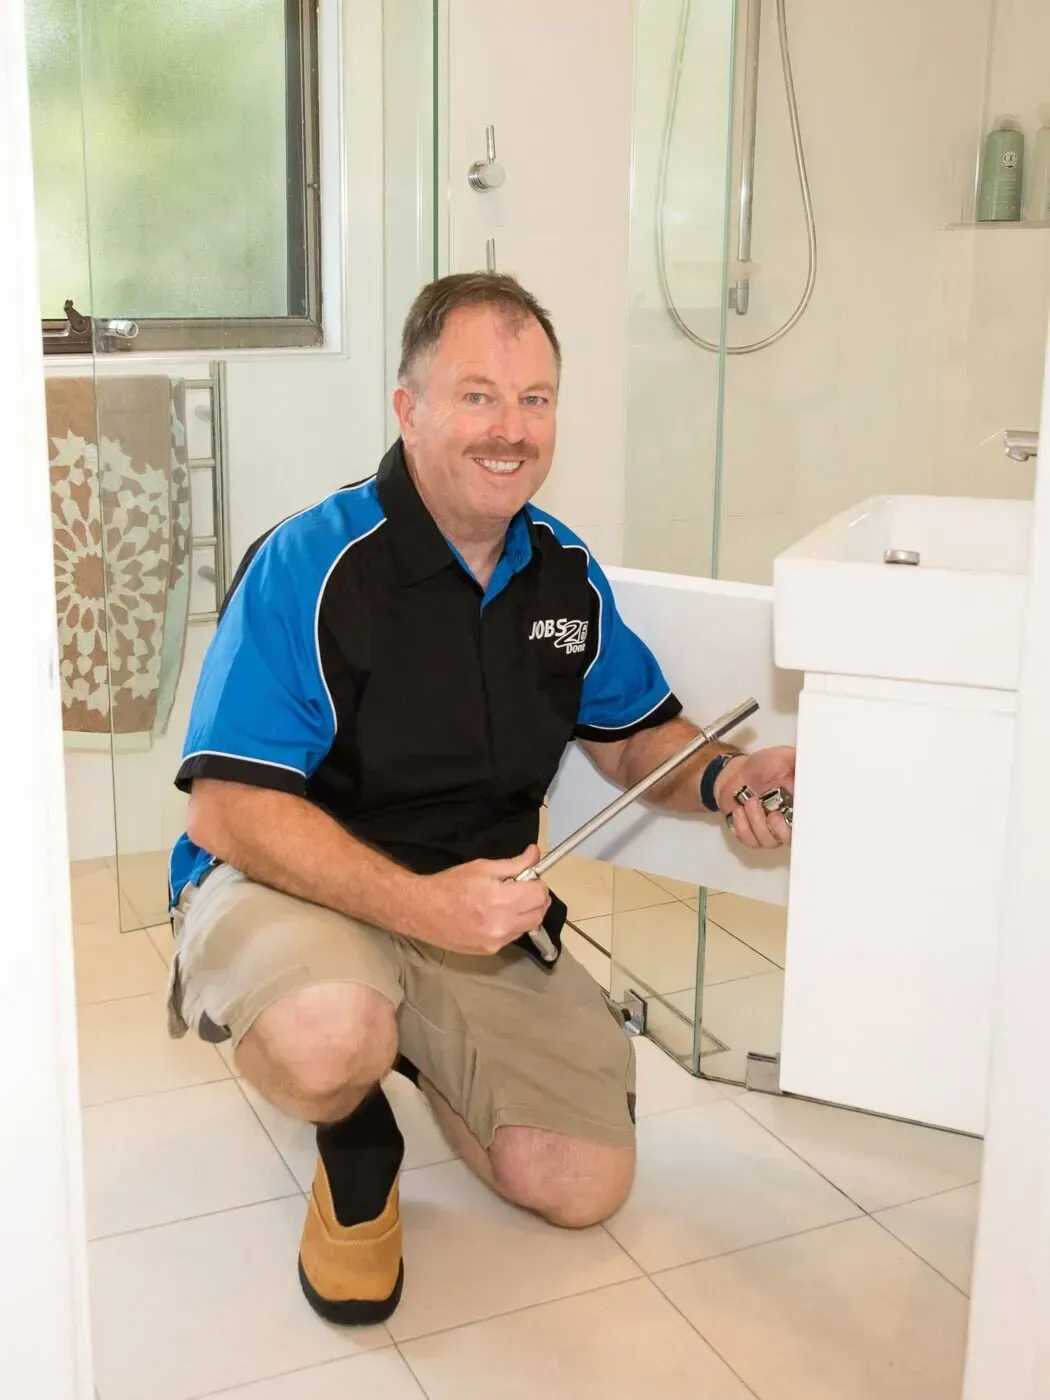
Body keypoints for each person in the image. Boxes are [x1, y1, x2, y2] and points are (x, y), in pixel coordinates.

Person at [165, 272, 795, 1325]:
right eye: (478, 395)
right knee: (328, 1036)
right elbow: (226, 810)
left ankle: (411, 1031)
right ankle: (356, 1116)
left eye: (536, 398)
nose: (511, 428)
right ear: (408, 409)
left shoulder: (562, 575)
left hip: (474, 911)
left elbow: (636, 730)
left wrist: (728, 776)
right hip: (297, 885)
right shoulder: (313, 565)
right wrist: (420, 910)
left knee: (584, 1183)